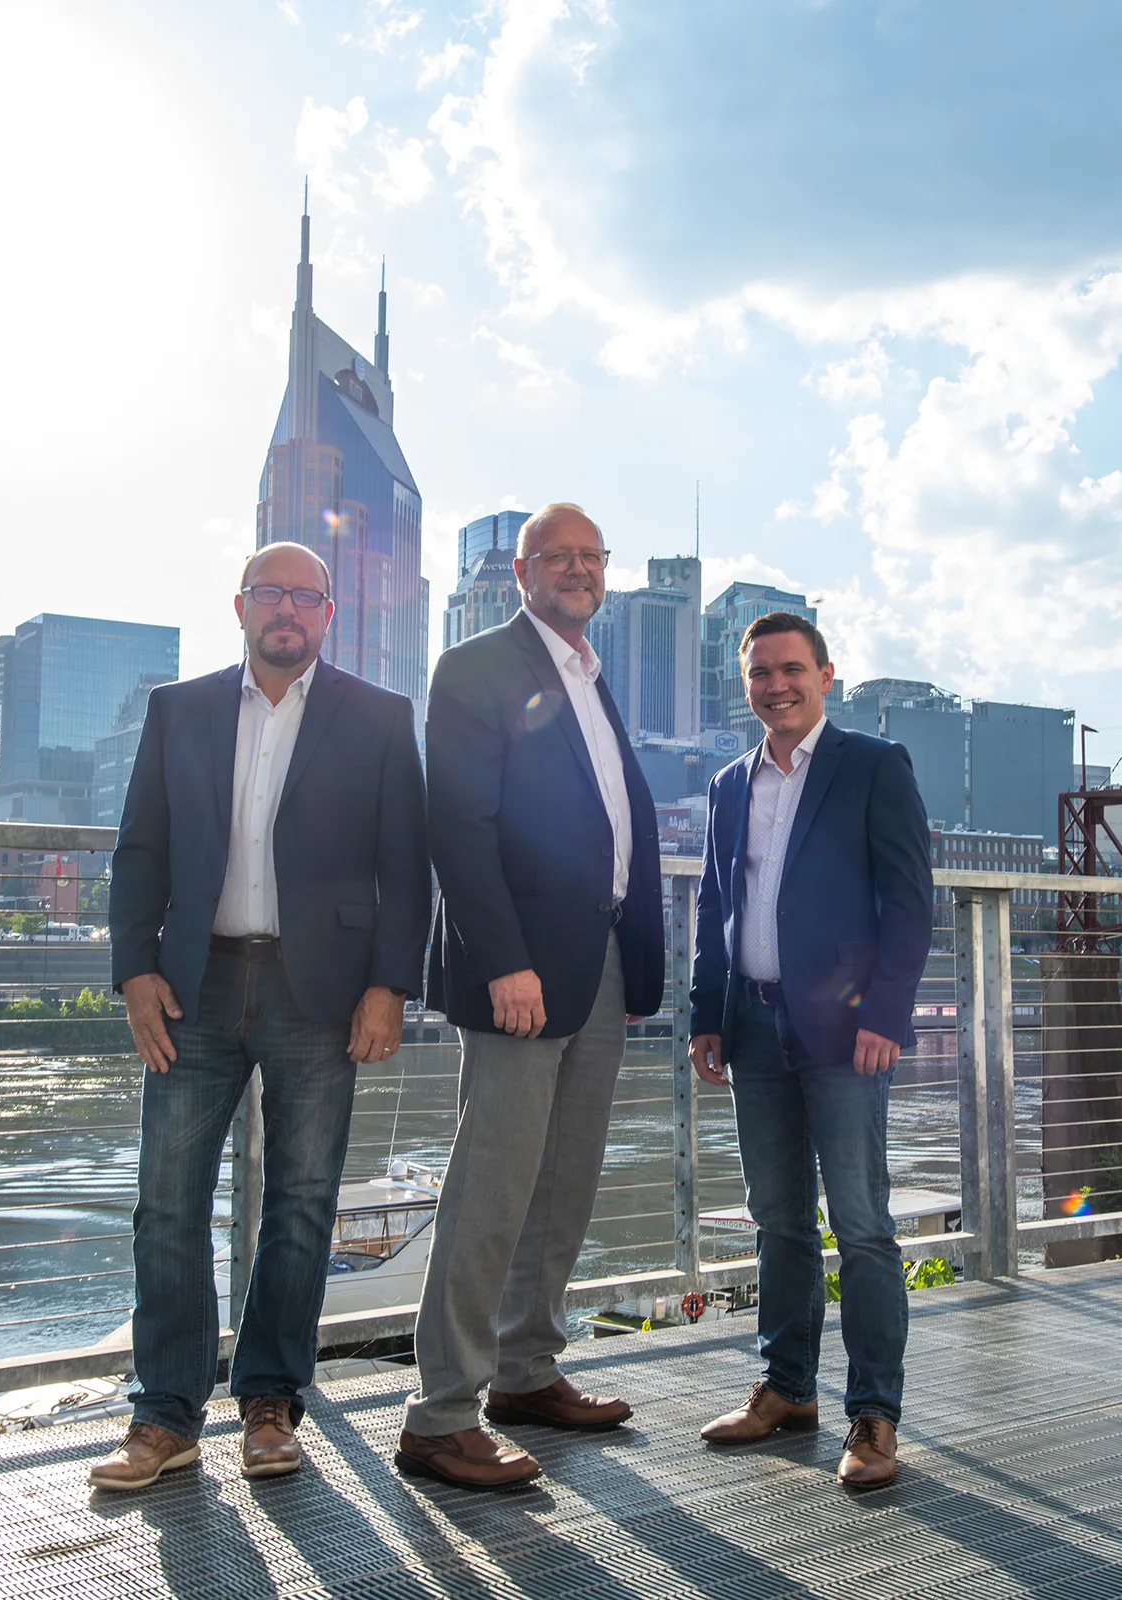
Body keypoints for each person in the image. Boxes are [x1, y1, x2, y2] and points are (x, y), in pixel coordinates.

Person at [91, 541, 430, 1490]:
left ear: (330, 614)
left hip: (320, 992)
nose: (289, 609)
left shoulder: (379, 719)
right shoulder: (179, 710)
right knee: (166, 1204)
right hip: (190, 988)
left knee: (302, 1205)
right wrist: (132, 974)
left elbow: (408, 867)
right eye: (272, 593)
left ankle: (273, 1400)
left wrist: (390, 986)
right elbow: (139, 853)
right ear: (240, 606)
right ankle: (164, 1416)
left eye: (307, 596)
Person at [397, 502, 665, 1490]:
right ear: (519, 570)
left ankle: (524, 1370)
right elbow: (459, 827)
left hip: (595, 966)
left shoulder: (592, 679)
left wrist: (636, 968)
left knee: (566, 1179)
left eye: (593, 555)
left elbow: (612, 826)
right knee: (494, 1183)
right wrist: (501, 958)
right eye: (559, 556)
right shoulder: (476, 669)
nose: (578, 570)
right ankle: (438, 1415)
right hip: (519, 968)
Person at [687, 612, 933, 1490]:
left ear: (827, 675)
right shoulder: (726, 786)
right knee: (777, 1218)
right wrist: (703, 1016)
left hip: (843, 1031)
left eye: (792, 670)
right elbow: (717, 908)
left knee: (862, 1224)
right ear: (746, 684)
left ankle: (875, 1416)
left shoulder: (873, 766)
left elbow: (909, 902)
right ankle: (787, 1389)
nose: (776, 686)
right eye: (760, 673)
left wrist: (886, 1015)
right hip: (749, 1025)